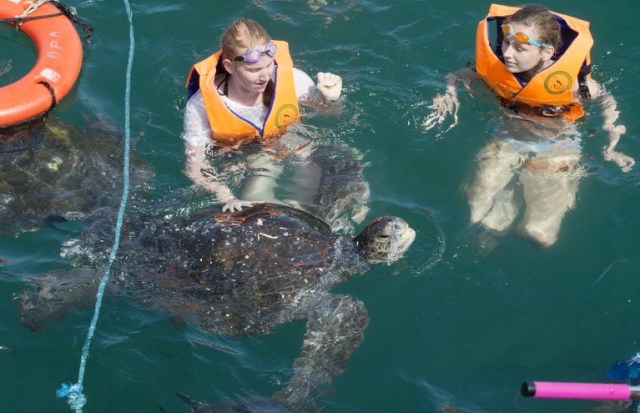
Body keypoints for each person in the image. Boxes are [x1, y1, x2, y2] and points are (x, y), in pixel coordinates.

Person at [423, 4, 635, 247]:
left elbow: (607, 100)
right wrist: (448, 95)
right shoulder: (497, 66)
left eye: (519, 48)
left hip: (555, 148)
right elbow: (458, 76)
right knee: (477, 210)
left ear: (546, 52)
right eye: (505, 43)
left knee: (539, 233)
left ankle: (509, 257)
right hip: (505, 138)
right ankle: (485, 243)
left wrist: (612, 143)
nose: (508, 53)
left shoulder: (575, 84)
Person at [182, 18, 343, 212]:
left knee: (318, 195)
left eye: (268, 66)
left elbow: (329, 116)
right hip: (239, 155)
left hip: (291, 142)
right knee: (257, 201)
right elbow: (195, 167)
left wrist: (330, 100)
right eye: (254, 70)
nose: (265, 76)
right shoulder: (201, 106)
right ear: (229, 66)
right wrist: (227, 197)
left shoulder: (294, 79)